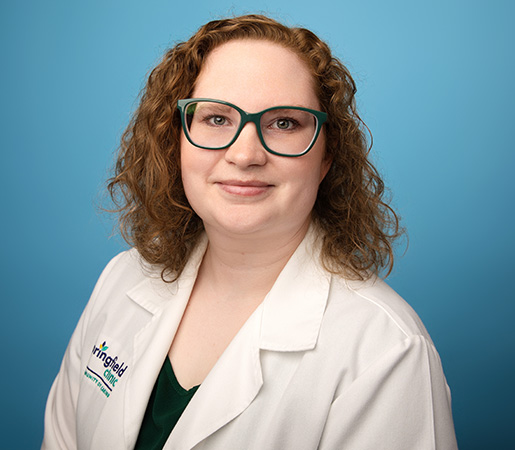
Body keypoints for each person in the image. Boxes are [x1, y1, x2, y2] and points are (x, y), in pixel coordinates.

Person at [42, 14, 457, 450]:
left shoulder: (387, 352)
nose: (245, 154)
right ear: (175, 139)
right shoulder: (121, 280)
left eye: (284, 123)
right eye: (217, 119)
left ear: (327, 155)